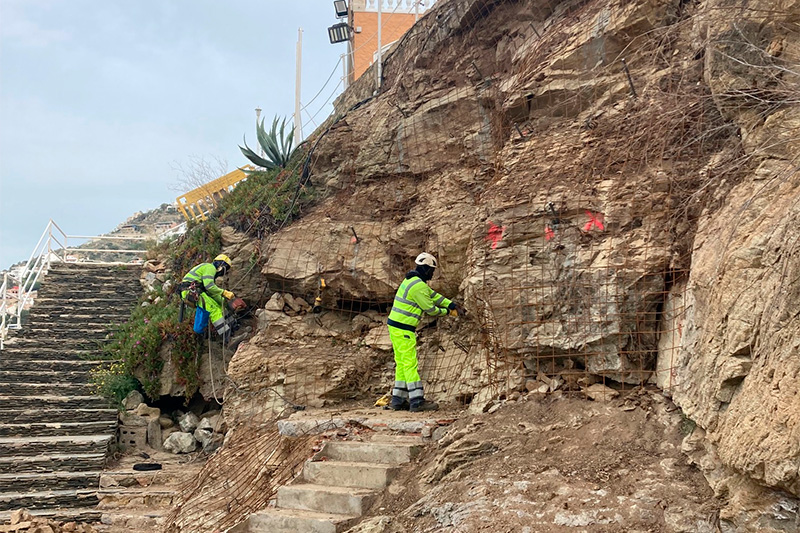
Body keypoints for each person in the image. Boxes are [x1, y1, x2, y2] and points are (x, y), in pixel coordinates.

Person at [386, 252, 466, 412]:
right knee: (410, 364)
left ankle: (398, 399)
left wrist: (451, 304)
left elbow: (433, 295)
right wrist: (450, 312)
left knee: (402, 363)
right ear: (426, 268)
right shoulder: (418, 286)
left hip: (395, 326)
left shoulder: (412, 281)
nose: (432, 274)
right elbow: (430, 308)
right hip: (404, 329)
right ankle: (417, 401)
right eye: (432, 270)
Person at [180, 254, 239, 344]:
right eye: (225, 269)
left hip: (196, 291)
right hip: (192, 292)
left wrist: (223, 301)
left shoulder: (208, 269)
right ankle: (228, 339)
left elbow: (211, 291)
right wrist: (224, 292)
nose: (224, 272)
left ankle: (233, 326)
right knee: (214, 310)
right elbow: (209, 286)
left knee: (219, 305)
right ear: (221, 266)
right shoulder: (210, 267)